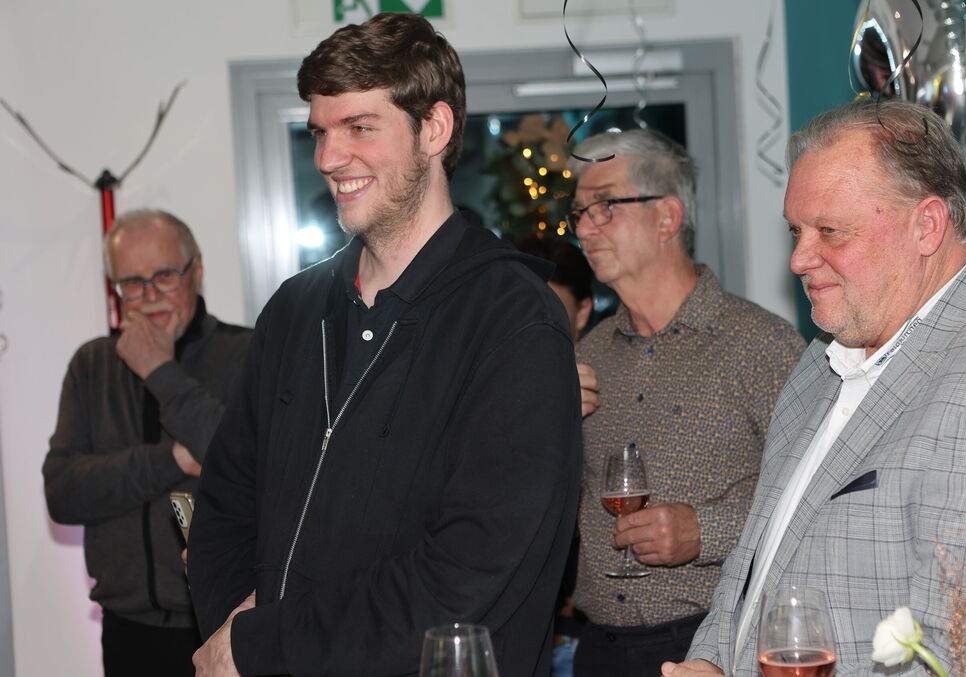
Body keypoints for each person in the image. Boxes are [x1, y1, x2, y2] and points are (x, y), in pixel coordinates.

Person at [187, 12, 582, 677]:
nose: (328, 158)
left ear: (434, 129)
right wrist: (237, 633)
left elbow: (464, 577)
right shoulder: (296, 309)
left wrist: (267, 642)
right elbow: (225, 504)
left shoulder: (515, 322)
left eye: (359, 127)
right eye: (320, 132)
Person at [665, 99, 966, 676]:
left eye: (830, 231)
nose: (799, 258)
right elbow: (756, 553)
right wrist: (713, 660)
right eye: (796, 231)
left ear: (927, 225)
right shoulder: (821, 360)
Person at [566, 129, 804, 677]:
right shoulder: (586, 356)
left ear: (667, 217)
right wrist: (543, 422)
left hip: (713, 649)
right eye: (579, 212)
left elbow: (816, 503)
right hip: (597, 650)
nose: (584, 227)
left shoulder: (761, 346)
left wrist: (707, 532)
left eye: (605, 205)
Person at [43, 209, 252, 677]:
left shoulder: (247, 353)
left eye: (164, 276)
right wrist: (173, 458)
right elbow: (62, 493)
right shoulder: (92, 364)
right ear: (114, 288)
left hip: (228, 624)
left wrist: (159, 370)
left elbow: (239, 463)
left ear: (196, 269)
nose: (150, 295)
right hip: (126, 628)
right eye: (132, 283)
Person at [516, 234, 594, 677]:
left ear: (583, 311)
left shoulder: (604, 372)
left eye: (553, 313)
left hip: (585, 622)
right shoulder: (494, 385)